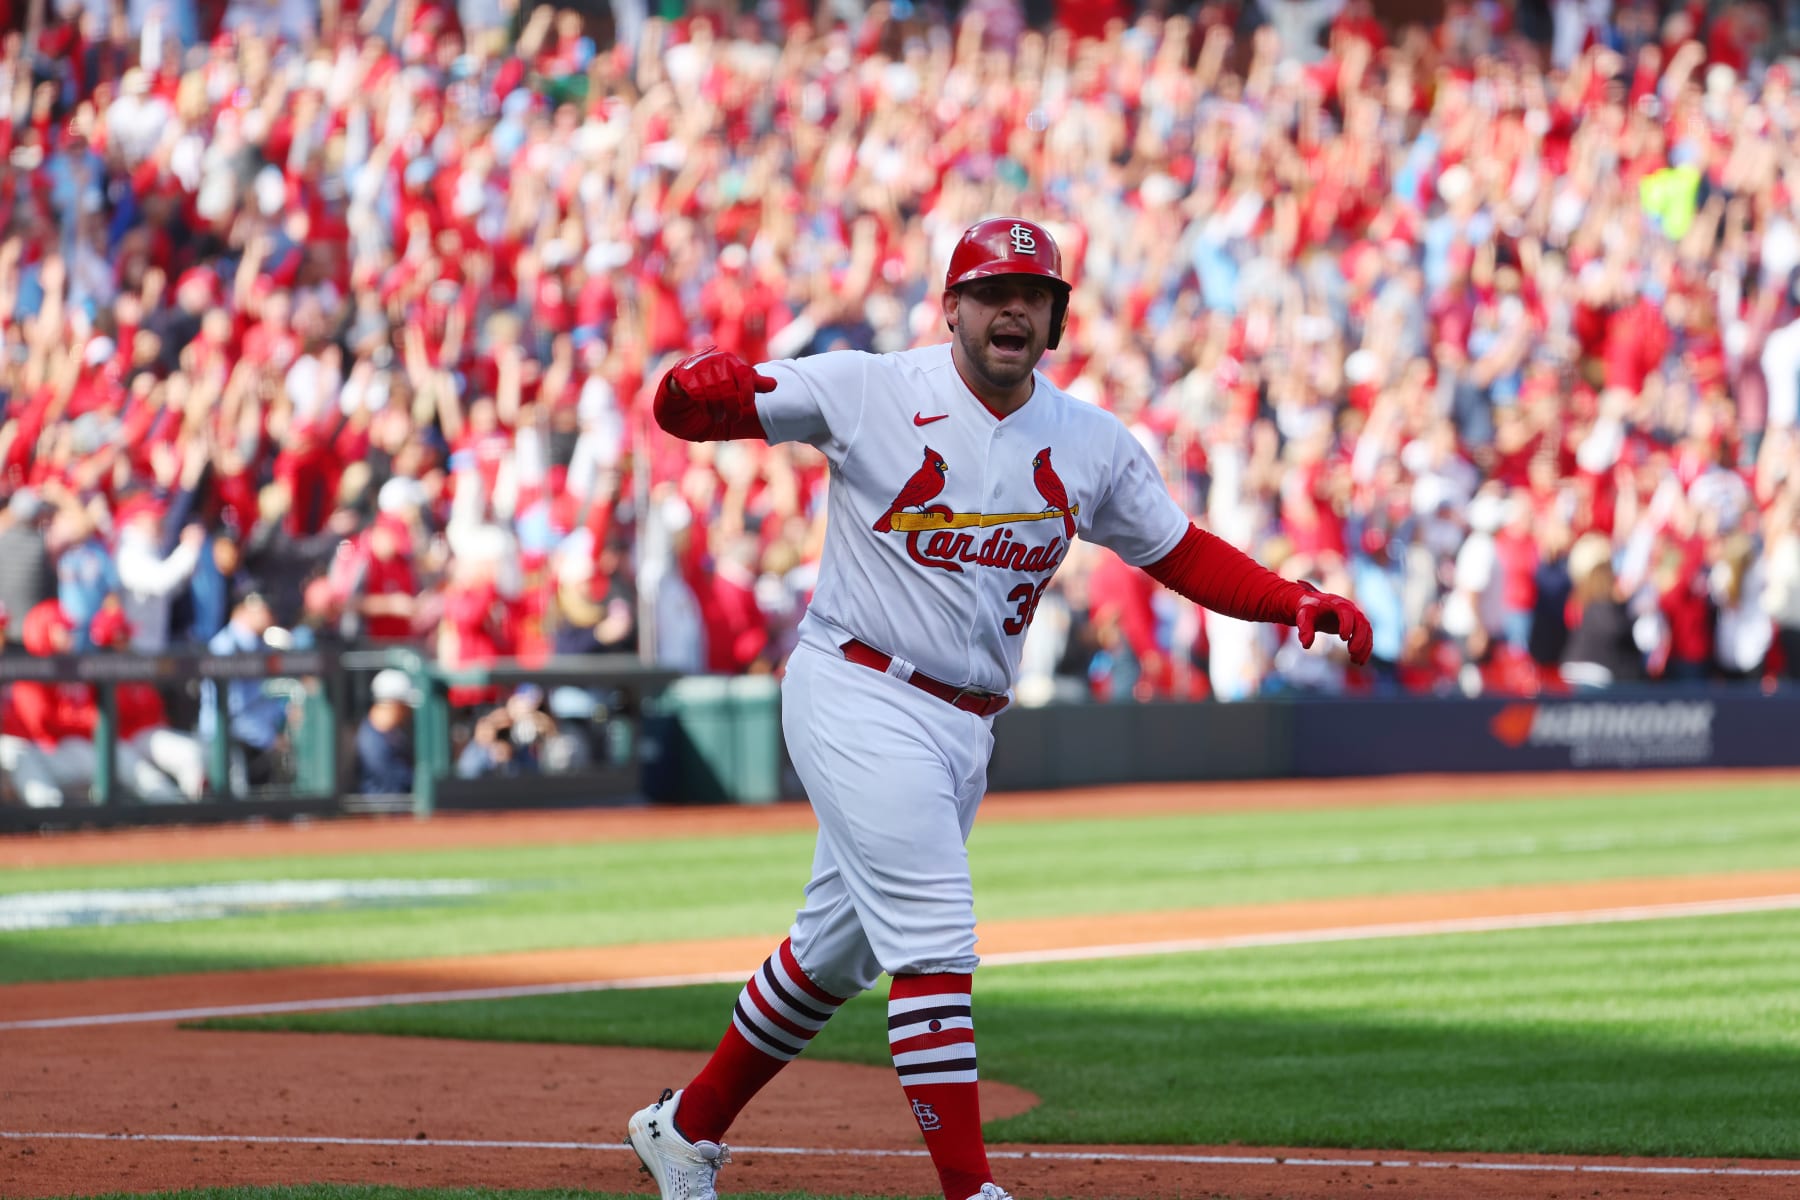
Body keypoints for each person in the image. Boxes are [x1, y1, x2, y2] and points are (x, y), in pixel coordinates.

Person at [622, 217, 1372, 1200]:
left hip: (965, 722)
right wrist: (689, 394)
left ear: (1057, 318)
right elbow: (717, 406)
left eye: (1035, 294)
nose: (1013, 308)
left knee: (835, 955)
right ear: (952, 309)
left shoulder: (1087, 441)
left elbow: (1176, 548)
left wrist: (1290, 600)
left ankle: (685, 1127)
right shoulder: (874, 388)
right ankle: (970, 1189)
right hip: (857, 683)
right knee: (934, 933)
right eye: (992, 291)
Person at [356, 668, 419, 795]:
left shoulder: (395, 733)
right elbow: (393, 780)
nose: (408, 710)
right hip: (380, 810)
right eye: (404, 704)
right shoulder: (371, 741)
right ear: (393, 703)